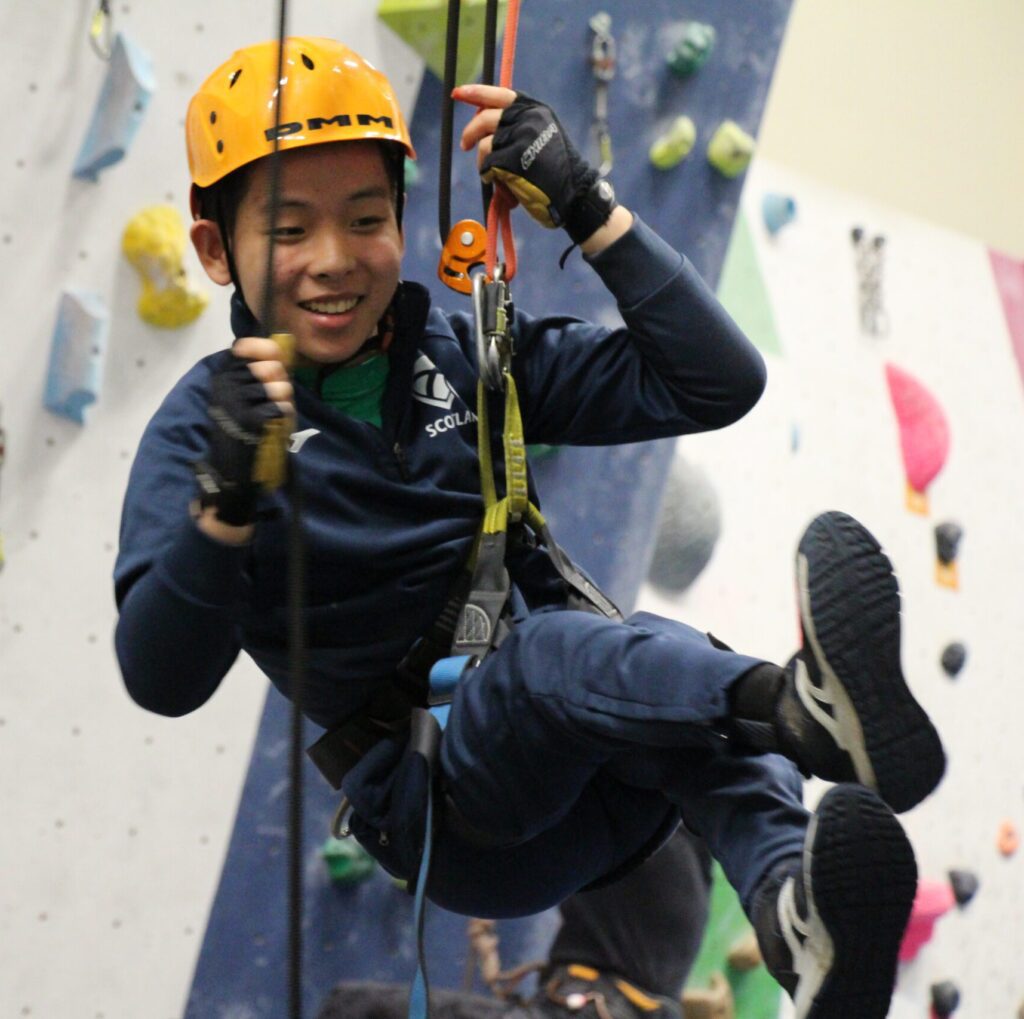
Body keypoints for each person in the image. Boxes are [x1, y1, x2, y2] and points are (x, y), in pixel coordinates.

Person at [114, 37, 946, 1019]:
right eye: (289, 229)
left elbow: (718, 379)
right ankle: (797, 707)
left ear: (403, 220)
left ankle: (789, 911)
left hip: (594, 764)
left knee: (678, 694)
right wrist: (225, 509)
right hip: (457, 813)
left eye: (367, 218)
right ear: (216, 251)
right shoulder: (202, 430)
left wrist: (590, 209)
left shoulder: (460, 356)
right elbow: (160, 678)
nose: (334, 259)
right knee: (581, 656)